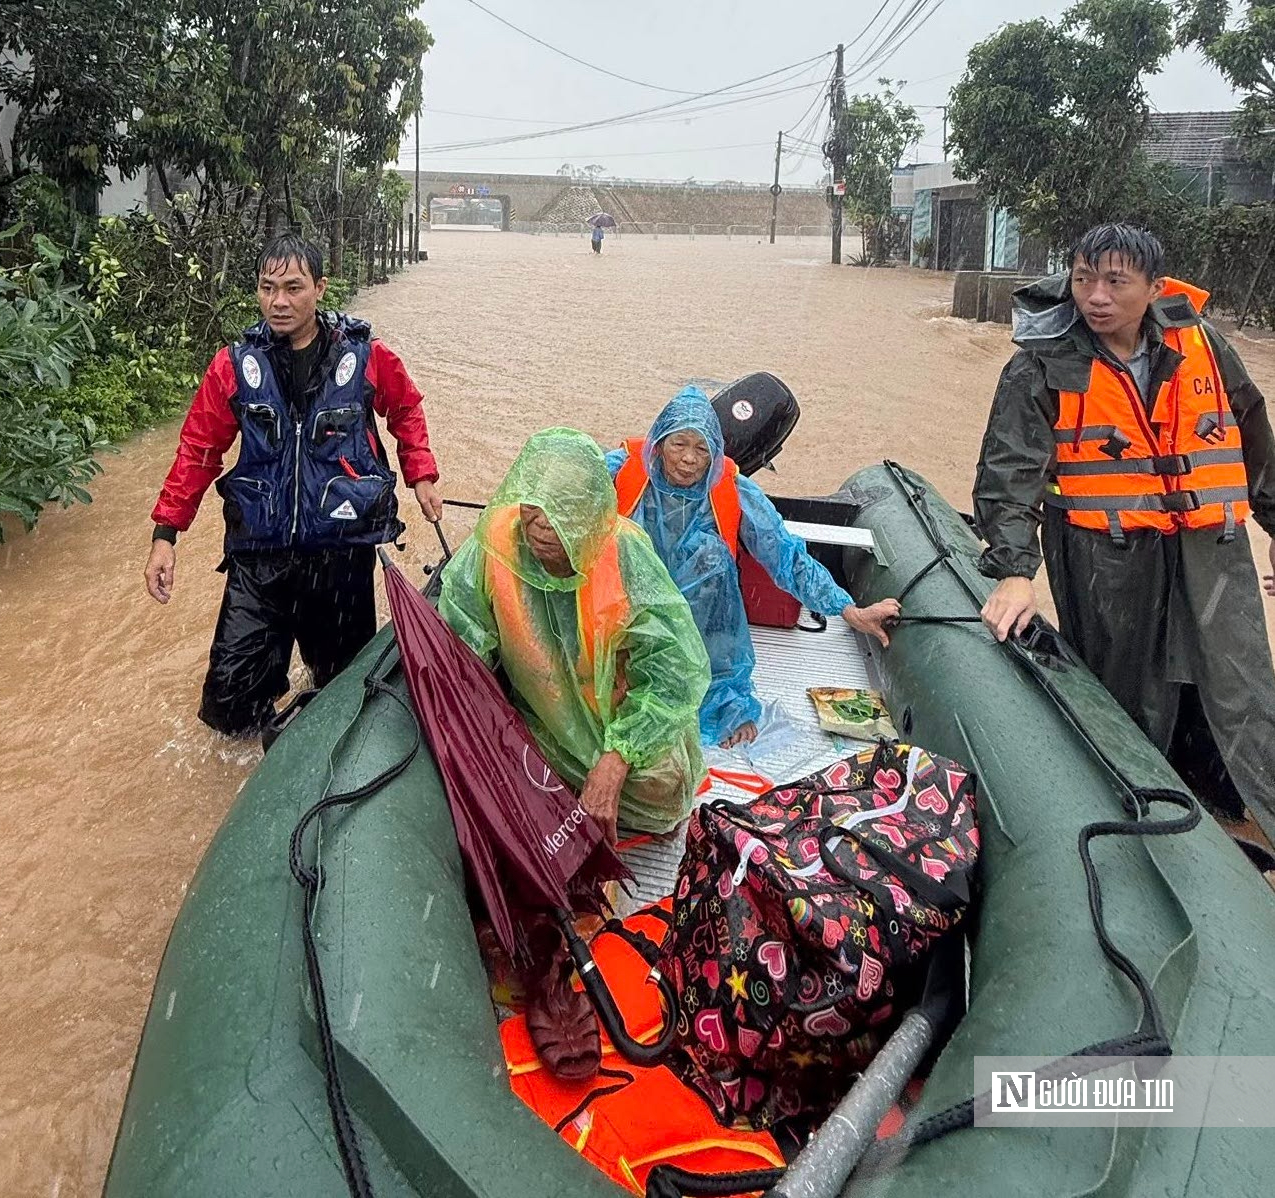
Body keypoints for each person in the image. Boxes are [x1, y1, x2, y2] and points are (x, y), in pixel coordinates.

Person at [974, 222, 1275, 842]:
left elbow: (1252, 434)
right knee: (1128, 695)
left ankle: (1241, 810)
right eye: (1084, 279)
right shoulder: (1041, 362)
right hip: (1106, 554)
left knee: (1236, 682)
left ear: (1153, 287)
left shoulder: (1203, 344)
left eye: (1116, 282)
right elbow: (1010, 469)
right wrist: (1012, 571)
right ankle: (1137, 819)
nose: (1096, 297)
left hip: (1210, 544)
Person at [144, 231, 442, 738]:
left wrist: (422, 474)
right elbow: (198, 450)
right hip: (260, 560)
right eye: (267, 288)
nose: (278, 301)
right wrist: (165, 535)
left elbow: (406, 408)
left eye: (292, 287)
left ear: (320, 288)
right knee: (231, 704)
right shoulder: (234, 366)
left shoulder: (367, 357)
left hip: (340, 555)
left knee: (343, 698)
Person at [438, 428, 709, 843]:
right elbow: (460, 643)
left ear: (591, 514)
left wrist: (617, 759)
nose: (542, 525)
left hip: (616, 715)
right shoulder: (493, 547)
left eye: (561, 511)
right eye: (534, 507)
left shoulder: (625, 553)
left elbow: (675, 672)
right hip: (540, 717)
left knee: (665, 791)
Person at [607, 387, 902, 748]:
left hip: (700, 624)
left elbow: (785, 555)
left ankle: (716, 698)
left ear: (716, 452)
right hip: (628, 611)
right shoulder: (620, 470)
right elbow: (565, 489)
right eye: (678, 444)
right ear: (658, 444)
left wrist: (848, 610)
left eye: (702, 449)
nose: (688, 459)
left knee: (712, 559)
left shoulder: (732, 489)